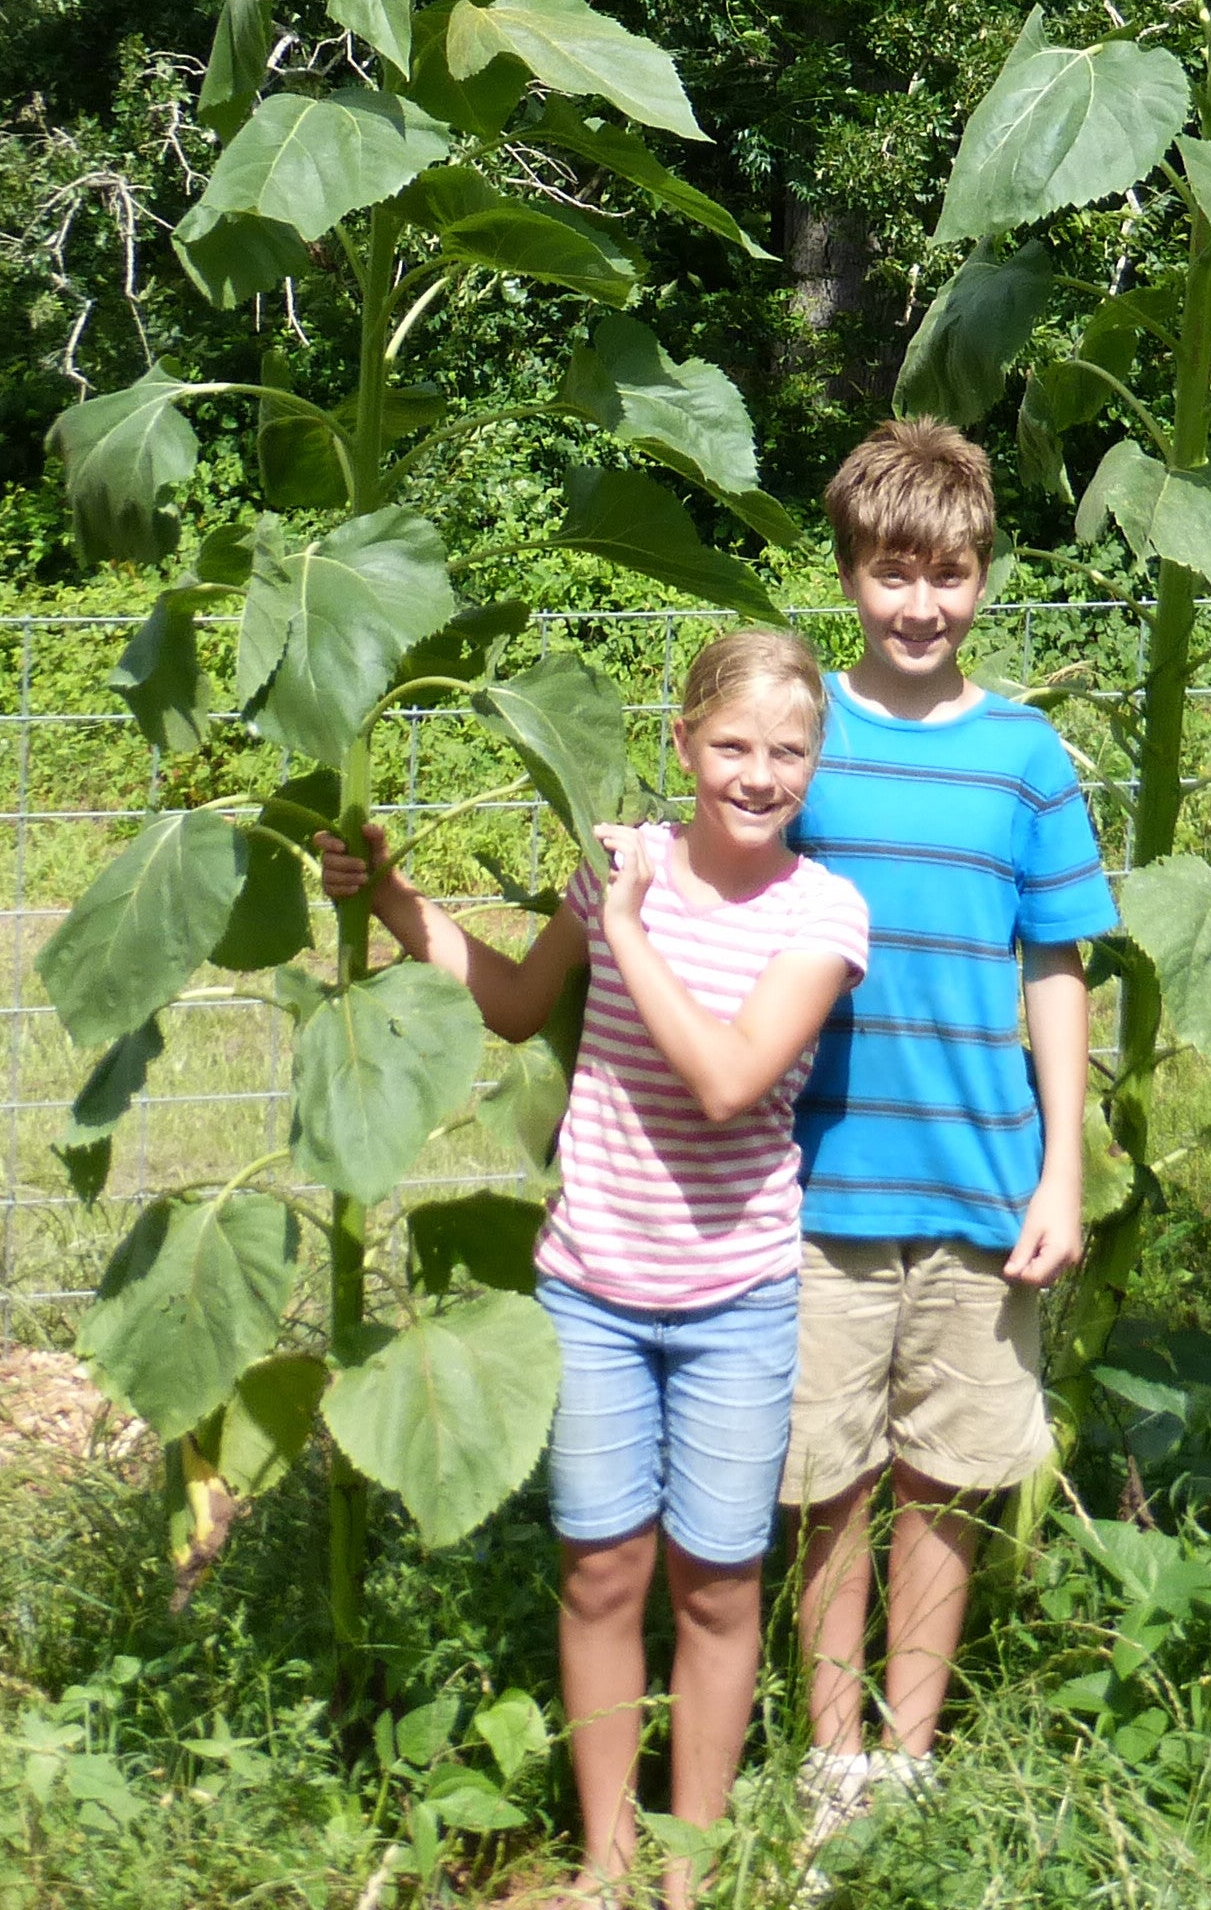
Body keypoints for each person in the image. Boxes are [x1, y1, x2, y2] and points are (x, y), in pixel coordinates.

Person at [318, 626, 867, 1908]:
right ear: (681, 743)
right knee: (601, 1567)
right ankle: (610, 1865)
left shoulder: (823, 910)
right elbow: (512, 1004)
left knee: (718, 1584)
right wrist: (390, 894)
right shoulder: (619, 869)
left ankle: (688, 1875)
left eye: (786, 751)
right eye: (729, 744)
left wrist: (628, 925)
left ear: (814, 764)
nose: (755, 773)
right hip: (592, 1287)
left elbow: (731, 1081)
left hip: (735, 1296)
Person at [782, 419, 1118, 1841]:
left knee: (945, 1474)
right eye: (890, 575)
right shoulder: (804, 736)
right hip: (811, 1186)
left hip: (982, 1185)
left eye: (950, 575)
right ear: (849, 573)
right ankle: (829, 1757)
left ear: (985, 573)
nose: (920, 605)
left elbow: (1057, 965)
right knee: (826, 1482)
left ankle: (908, 1763)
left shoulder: (1027, 758)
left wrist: (1064, 1167)